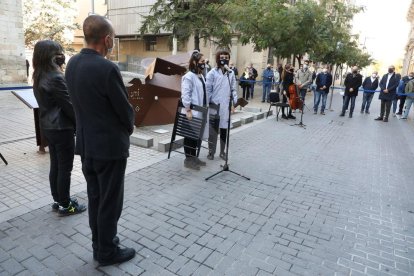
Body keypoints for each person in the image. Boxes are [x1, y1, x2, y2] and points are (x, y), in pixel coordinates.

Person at [65, 15, 135, 266]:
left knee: (95, 198)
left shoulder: (72, 64)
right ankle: (107, 251)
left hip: (86, 147)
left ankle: (99, 245)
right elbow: (124, 110)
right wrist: (130, 126)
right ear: (107, 40)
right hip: (109, 149)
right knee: (110, 203)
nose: (113, 43)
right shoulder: (107, 68)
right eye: (113, 39)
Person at [32, 40, 86, 216]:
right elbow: (69, 106)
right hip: (62, 129)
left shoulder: (39, 76)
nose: (62, 56)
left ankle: (58, 199)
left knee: (55, 165)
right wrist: (81, 125)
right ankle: (66, 204)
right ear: (51, 56)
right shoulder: (55, 78)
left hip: (49, 128)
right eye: (58, 53)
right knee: (65, 168)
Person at [206, 49, 238, 160]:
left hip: (225, 106)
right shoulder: (212, 73)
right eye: (222, 57)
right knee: (213, 131)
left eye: (226, 57)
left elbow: (233, 89)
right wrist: (209, 103)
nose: (224, 59)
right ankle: (211, 152)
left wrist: (235, 102)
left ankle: (222, 152)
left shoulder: (231, 73)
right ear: (218, 59)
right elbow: (208, 90)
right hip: (214, 106)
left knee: (224, 130)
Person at [181, 50, 208, 170]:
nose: (204, 64)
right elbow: (185, 95)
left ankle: (194, 157)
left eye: (205, 62)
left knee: (197, 136)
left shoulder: (200, 76)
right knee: (190, 136)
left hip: (200, 111)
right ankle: (188, 159)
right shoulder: (188, 77)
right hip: (191, 112)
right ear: (194, 62)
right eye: (202, 61)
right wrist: (188, 110)